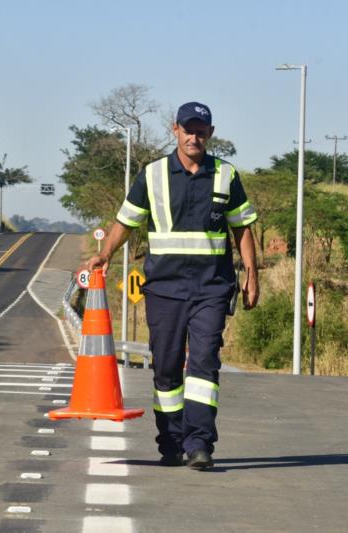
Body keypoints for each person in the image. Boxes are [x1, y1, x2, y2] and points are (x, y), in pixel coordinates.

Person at [85, 101, 259, 470]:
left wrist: (252, 275)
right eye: (187, 129)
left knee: (204, 364)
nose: (193, 136)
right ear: (174, 130)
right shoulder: (152, 175)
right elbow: (126, 221)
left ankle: (199, 444)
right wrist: (105, 254)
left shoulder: (226, 175)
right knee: (165, 368)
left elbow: (242, 227)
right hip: (164, 288)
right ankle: (171, 439)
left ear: (210, 133)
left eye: (201, 130)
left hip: (212, 288)